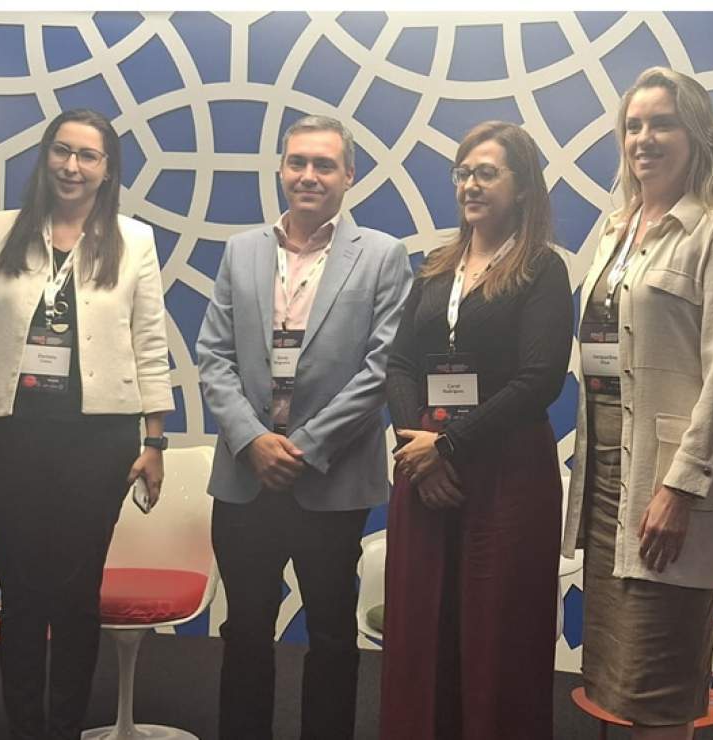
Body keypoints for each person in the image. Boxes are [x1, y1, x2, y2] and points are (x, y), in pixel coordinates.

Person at [0, 108, 173, 740]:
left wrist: (155, 439)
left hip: (99, 442)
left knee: (76, 595)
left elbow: (150, 342)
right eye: (62, 151)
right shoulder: (3, 230)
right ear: (46, 156)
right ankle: (25, 726)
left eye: (88, 155)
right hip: (11, 437)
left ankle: (67, 726)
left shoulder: (134, 240)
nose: (72, 166)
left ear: (107, 169)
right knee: (21, 593)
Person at [561, 67, 713, 740]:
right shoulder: (617, 229)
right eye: (634, 126)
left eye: (663, 124)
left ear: (698, 135)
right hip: (605, 480)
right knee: (615, 679)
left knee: (661, 684)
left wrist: (681, 487)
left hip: (666, 483)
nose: (644, 138)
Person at [195, 114, 412, 740]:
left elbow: (381, 368)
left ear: (349, 174)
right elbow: (214, 357)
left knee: (332, 633)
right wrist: (252, 440)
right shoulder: (242, 250)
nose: (308, 176)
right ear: (282, 169)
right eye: (297, 162)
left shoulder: (382, 255)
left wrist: (305, 447)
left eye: (323, 164)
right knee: (244, 630)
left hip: (331, 478)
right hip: (245, 476)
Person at [380, 121, 573, 740]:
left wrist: (449, 446)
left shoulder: (542, 269)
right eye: (463, 173)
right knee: (422, 631)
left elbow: (540, 378)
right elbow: (400, 364)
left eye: (486, 173)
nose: (470, 184)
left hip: (506, 477)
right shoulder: (436, 268)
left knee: (497, 639)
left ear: (523, 187)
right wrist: (417, 448)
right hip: (424, 468)